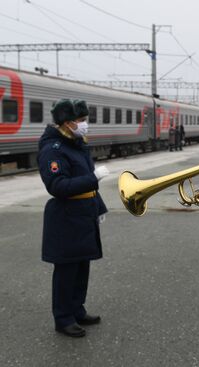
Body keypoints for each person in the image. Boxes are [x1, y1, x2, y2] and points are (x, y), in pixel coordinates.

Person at [37, 99, 110, 337]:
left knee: (81, 267)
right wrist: (94, 177)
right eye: (81, 121)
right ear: (67, 123)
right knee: (66, 271)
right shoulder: (53, 149)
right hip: (66, 219)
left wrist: (98, 207)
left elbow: (88, 184)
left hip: (83, 215)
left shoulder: (77, 145)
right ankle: (63, 318)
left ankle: (77, 310)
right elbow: (58, 185)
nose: (85, 125)